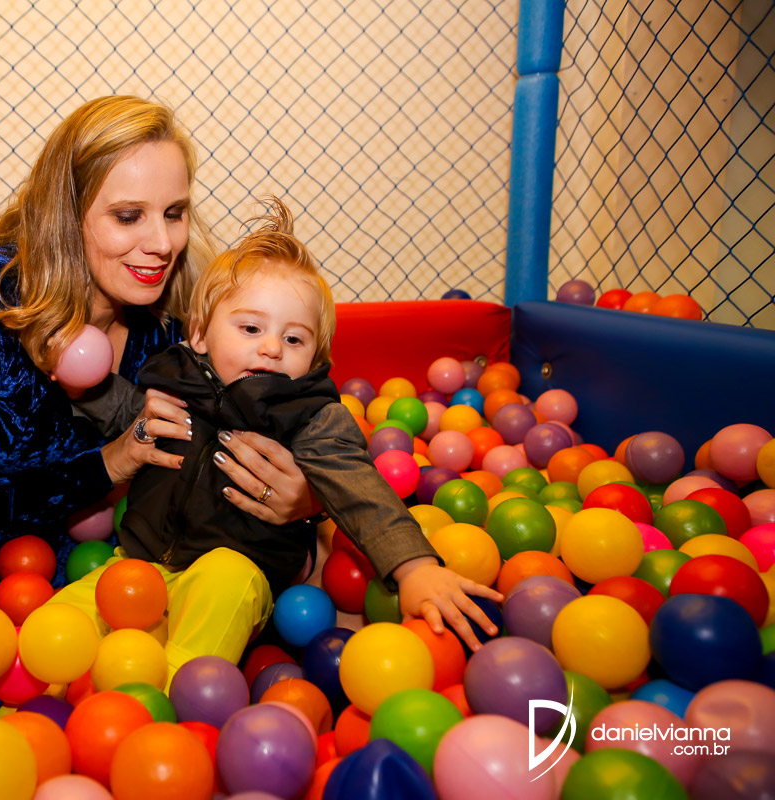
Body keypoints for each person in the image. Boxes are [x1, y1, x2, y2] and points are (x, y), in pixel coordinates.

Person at [0, 97, 320, 756]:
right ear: (65, 214)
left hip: (81, 577)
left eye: (174, 213)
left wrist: (304, 502)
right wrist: (106, 465)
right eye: (128, 216)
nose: (162, 243)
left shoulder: (177, 325)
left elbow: (278, 423)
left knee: (136, 719)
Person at [55, 198, 502, 683]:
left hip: (236, 573)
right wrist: (80, 387)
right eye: (250, 328)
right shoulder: (173, 379)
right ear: (200, 334)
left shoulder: (310, 415)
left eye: (294, 340)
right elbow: (128, 413)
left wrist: (414, 568)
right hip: (137, 563)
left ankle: (172, 692)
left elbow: (359, 488)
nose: (270, 347)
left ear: (314, 359)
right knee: (59, 625)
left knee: (224, 579)